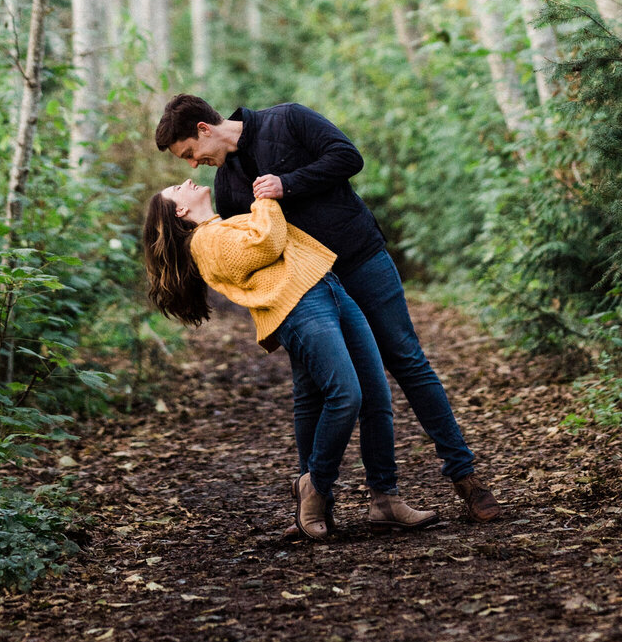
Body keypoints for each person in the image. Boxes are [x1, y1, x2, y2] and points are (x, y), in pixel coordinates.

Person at [155, 94, 502, 524]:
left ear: (204, 129)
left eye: (190, 153)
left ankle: (466, 479)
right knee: (323, 391)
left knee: (408, 361)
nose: (193, 164)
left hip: (361, 259)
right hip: (311, 292)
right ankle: (324, 501)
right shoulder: (225, 187)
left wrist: (288, 183)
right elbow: (249, 249)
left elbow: (347, 157)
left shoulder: (287, 119)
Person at [143, 178, 438, 538]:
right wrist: (265, 198)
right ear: (180, 211)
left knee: (377, 397)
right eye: (177, 188)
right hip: (300, 307)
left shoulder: (221, 225)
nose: (186, 181)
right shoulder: (204, 241)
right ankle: (315, 486)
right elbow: (265, 245)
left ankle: (385, 499)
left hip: (330, 288)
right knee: (346, 395)